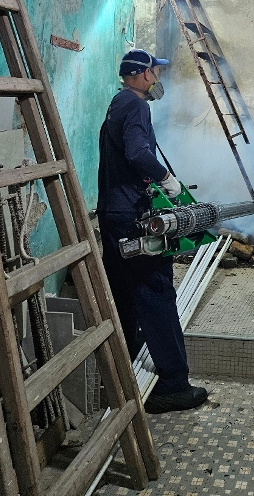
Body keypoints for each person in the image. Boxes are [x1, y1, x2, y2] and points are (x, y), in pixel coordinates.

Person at [97, 48, 208, 413]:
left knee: (124, 292)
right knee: (156, 291)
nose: (157, 77)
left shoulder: (118, 103)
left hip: (113, 214)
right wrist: (166, 179)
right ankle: (172, 385)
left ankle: (124, 367)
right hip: (132, 216)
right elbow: (137, 153)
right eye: (155, 72)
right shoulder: (136, 106)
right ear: (143, 73)